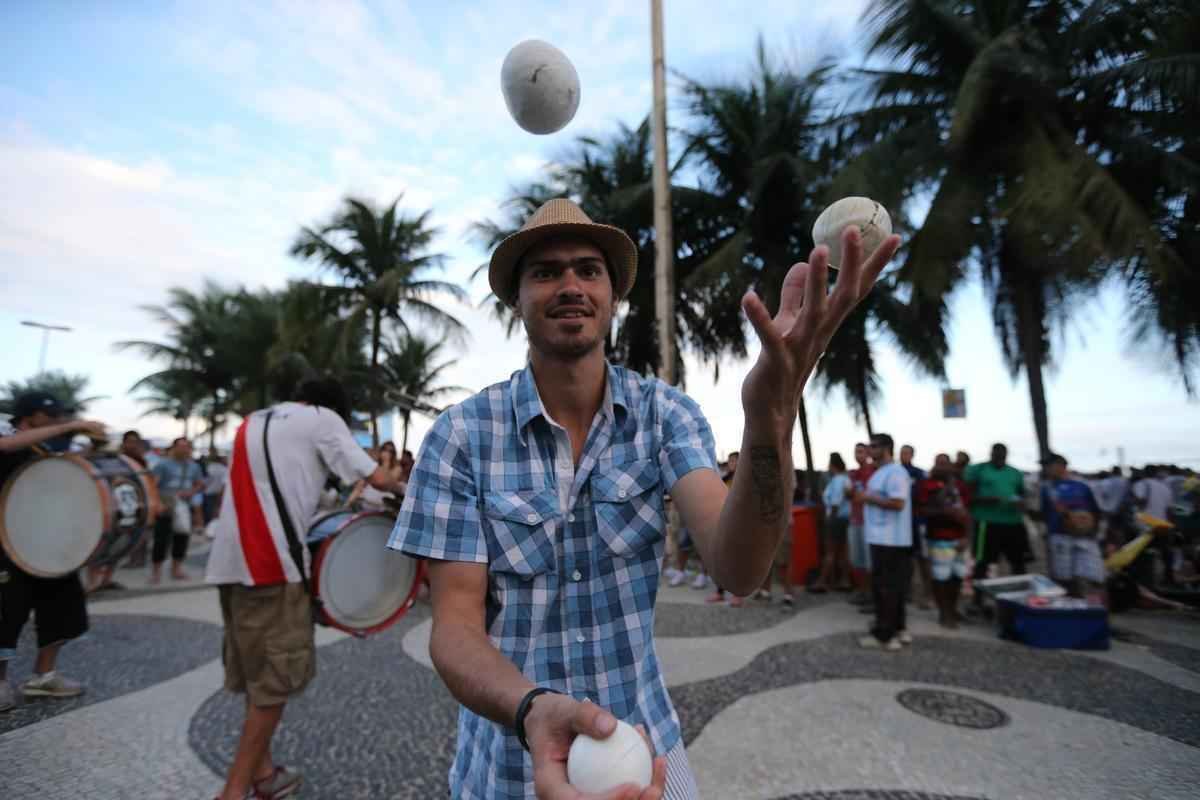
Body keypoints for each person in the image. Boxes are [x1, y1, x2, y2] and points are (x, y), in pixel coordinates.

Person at [388, 197, 898, 798]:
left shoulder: (666, 416)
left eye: (588, 269)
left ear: (612, 293)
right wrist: (531, 708)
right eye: (546, 272)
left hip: (647, 740)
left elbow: (738, 569)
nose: (570, 285)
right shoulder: (460, 436)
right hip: (509, 754)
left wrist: (770, 416)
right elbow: (453, 629)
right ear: (516, 299)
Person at [204, 376, 408, 800]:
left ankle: (263, 773)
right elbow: (377, 480)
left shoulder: (255, 420)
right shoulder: (321, 419)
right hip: (270, 565)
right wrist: (404, 487)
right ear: (334, 408)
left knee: (260, 676)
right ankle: (235, 791)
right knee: (276, 682)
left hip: (228, 564)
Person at [1, 392, 108, 712]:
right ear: (29, 416)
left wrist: (93, 445)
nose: (55, 421)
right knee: (7, 614)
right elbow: (6, 445)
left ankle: (44, 675)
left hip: (44, 540)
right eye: (49, 416)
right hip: (6, 543)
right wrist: (72, 425)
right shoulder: (6, 434)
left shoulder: (45, 446)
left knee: (63, 608)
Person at [855, 433, 913, 651]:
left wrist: (867, 498)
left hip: (891, 540)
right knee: (891, 587)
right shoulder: (881, 472)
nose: (870, 449)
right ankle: (897, 629)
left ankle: (884, 635)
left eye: (874, 446)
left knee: (885, 588)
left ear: (887, 448)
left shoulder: (896, 472)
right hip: (881, 538)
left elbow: (898, 503)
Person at [963, 444, 1027, 601]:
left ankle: (1020, 598)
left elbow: (1021, 495)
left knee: (1018, 562)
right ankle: (977, 600)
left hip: (1013, 522)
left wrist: (1020, 503)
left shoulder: (1015, 473)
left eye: (1002, 455)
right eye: (996, 455)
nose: (999, 458)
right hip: (986, 522)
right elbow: (967, 495)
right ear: (991, 454)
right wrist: (985, 499)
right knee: (982, 562)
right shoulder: (979, 470)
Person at [914, 454, 972, 628]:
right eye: (938, 464)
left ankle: (953, 609)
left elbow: (968, 512)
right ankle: (943, 612)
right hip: (939, 537)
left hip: (960, 539)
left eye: (945, 464)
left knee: (958, 576)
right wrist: (944, 511)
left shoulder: (960, 486)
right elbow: (921, 510)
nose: (942, 467)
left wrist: (967, 537)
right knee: (941, 577)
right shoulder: (927, 485)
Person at [1040, 453, 1106, 600]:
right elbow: (1043, 513)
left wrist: (1092, 529)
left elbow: (1097, 511)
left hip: (1084, 536)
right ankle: (1068, 604)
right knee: (1062, 575)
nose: (1046, 470)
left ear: (1061, 466)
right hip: (1058, 535)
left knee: (1088, 574)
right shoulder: (1046, 488)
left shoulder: (1082, 486)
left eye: (1048, 466)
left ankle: (1085, 603)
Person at [149, 437, 205, 584]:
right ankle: (156, 572)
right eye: (181, 446)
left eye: (186, 447)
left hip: (184, 506)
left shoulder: (194, 466)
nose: (184, 450)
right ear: (173, 448)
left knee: (182, 538)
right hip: (166, 504)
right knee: (161, 539)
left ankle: (176, 569)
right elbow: (152, 485)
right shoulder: (162, 464)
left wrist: (191, 492)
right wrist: (157, 503)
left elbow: (200, 483)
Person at [707, 452, 744, 607]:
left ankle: (737, 594)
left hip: (740, 524)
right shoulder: (725, 478)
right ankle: (720, 592)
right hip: (724, 522)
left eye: (735, 461)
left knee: (738, 560)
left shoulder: (744, 481)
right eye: (730, 461)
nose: (731, 464)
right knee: (722, 558)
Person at [811, 452, 851, 593]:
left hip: (835, 519)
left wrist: (830, 518)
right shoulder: (845, 479)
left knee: (830, 552)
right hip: (843, 519)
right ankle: (843, 580)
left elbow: (835, 502)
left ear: (833, 465)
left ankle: (822, 581)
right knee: (842, 552)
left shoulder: (838, 481)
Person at [899, 444, 932, 610]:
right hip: (902, 525)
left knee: (923, 559)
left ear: (912, 455)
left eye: (906, 453)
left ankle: (928, 594)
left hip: (918, 522)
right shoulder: (896, 472)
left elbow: (924, 497)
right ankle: (907, 592)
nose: (903, 455)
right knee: (905, 560)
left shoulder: (919, 473)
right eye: (901, 453)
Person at [847, 442, 876, 606]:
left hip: (869, 522)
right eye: (855, 452)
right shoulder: (854, 473)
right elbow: (851, 495)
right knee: (857, 560)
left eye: (861, 452)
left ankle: (872, 595)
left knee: (869, 561)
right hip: (855, 520)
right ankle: (863, 592)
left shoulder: (873, 472)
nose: (858, 455)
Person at [203, 452, 228, 525]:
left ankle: (209, 524)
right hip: (219, 492)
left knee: (209, 509)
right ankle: (215, 524)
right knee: (217, 509)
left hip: (208, 491)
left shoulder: (209, 467)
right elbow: (224, 483)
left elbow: (205, 480)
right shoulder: (224, 469)